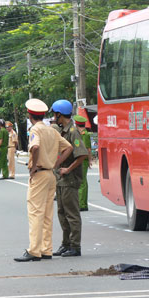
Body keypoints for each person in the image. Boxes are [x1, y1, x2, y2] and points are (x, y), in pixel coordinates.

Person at [14, 99, 73, 262]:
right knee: (47, 214)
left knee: (35, 213)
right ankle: (46, 249)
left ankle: (34, 250)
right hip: (50, 175)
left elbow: (35, 147)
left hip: (39, 174)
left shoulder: (35, 130)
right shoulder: (51, 131)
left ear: (29, 114)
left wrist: (33, 166)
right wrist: (56, 163)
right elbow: (69, 147)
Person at [51, 100, 88, 257]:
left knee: (72, 214)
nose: (54, 117)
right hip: (61, 179)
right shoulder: (63, 130)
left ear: (60, 114)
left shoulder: (73, 131)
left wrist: (68, 169)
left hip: (70, 179)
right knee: (62, 213)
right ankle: (65, 244)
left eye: (55, 114)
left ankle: (75, 246)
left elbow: (82, 155)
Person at [73, 115, 92, 211]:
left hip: (82, 160)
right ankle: (80, 202)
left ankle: (83, 204)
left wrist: (89, 160)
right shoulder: (78, 133)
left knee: (82, 182)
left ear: (76, 124)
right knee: (81, 181)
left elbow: (88, 149)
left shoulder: (85, 134)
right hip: (79, 160)